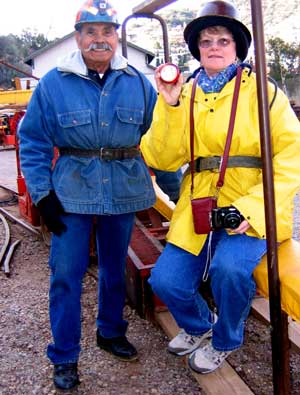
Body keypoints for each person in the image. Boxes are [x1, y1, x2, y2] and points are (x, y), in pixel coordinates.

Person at [18, 0, 181, 390]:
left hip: (123, 191)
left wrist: (178, 199)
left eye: (107, 31)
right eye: (90, 31)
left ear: (116, 37)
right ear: (78, 38)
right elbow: (33, 141)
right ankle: (65, 355)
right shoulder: (54, 83)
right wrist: (42, 196)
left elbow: (159, 141)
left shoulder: (138, 82)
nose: (99, 39)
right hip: (71, 194)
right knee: (65, 275)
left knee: (113, 270)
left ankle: (110, 331)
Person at [141, 0, 300, 374]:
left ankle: (226, 339)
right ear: (197, 48)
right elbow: (161, 158)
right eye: (207, 40)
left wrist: (253, 208)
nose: (214, 46)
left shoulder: (263, 90)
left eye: (223, 40)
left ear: (236, 48)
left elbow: (291, 155)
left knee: (230, 270)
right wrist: (170, 105)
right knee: (166, 280)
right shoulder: (185, 91)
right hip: (198, 202)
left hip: (252, 204)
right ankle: (201, 326)